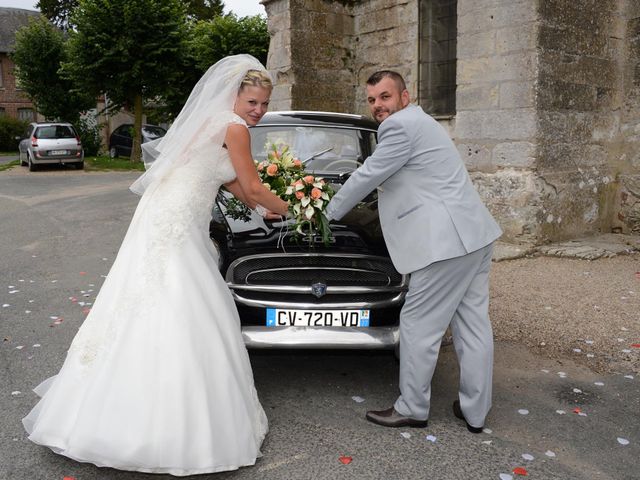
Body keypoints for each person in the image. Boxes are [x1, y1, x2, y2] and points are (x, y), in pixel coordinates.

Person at [22, 55, 288, 476]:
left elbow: (235, 185)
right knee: (182, 300)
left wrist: (265, 206)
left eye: (264, 103)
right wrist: (300, 207)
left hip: (162, 216)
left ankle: (108, 412)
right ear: (235, 95)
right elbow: (252, 185)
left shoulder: (211, 123)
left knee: (144, 296)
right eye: (253, 101)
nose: (258, 110)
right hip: (179, 223)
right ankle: (170, 427)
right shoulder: (234, 128)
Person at [324, 71, 502, 433]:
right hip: (474, 235)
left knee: (419, 325)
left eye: (385, 97)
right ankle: (475, 410)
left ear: (405, 97)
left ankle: (412, 407)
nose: (378, 106)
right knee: (473, 326)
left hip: (444, 244)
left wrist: (324, 213)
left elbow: (368, 175)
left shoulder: (400, 127)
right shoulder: (422, 122)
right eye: (372, 99)